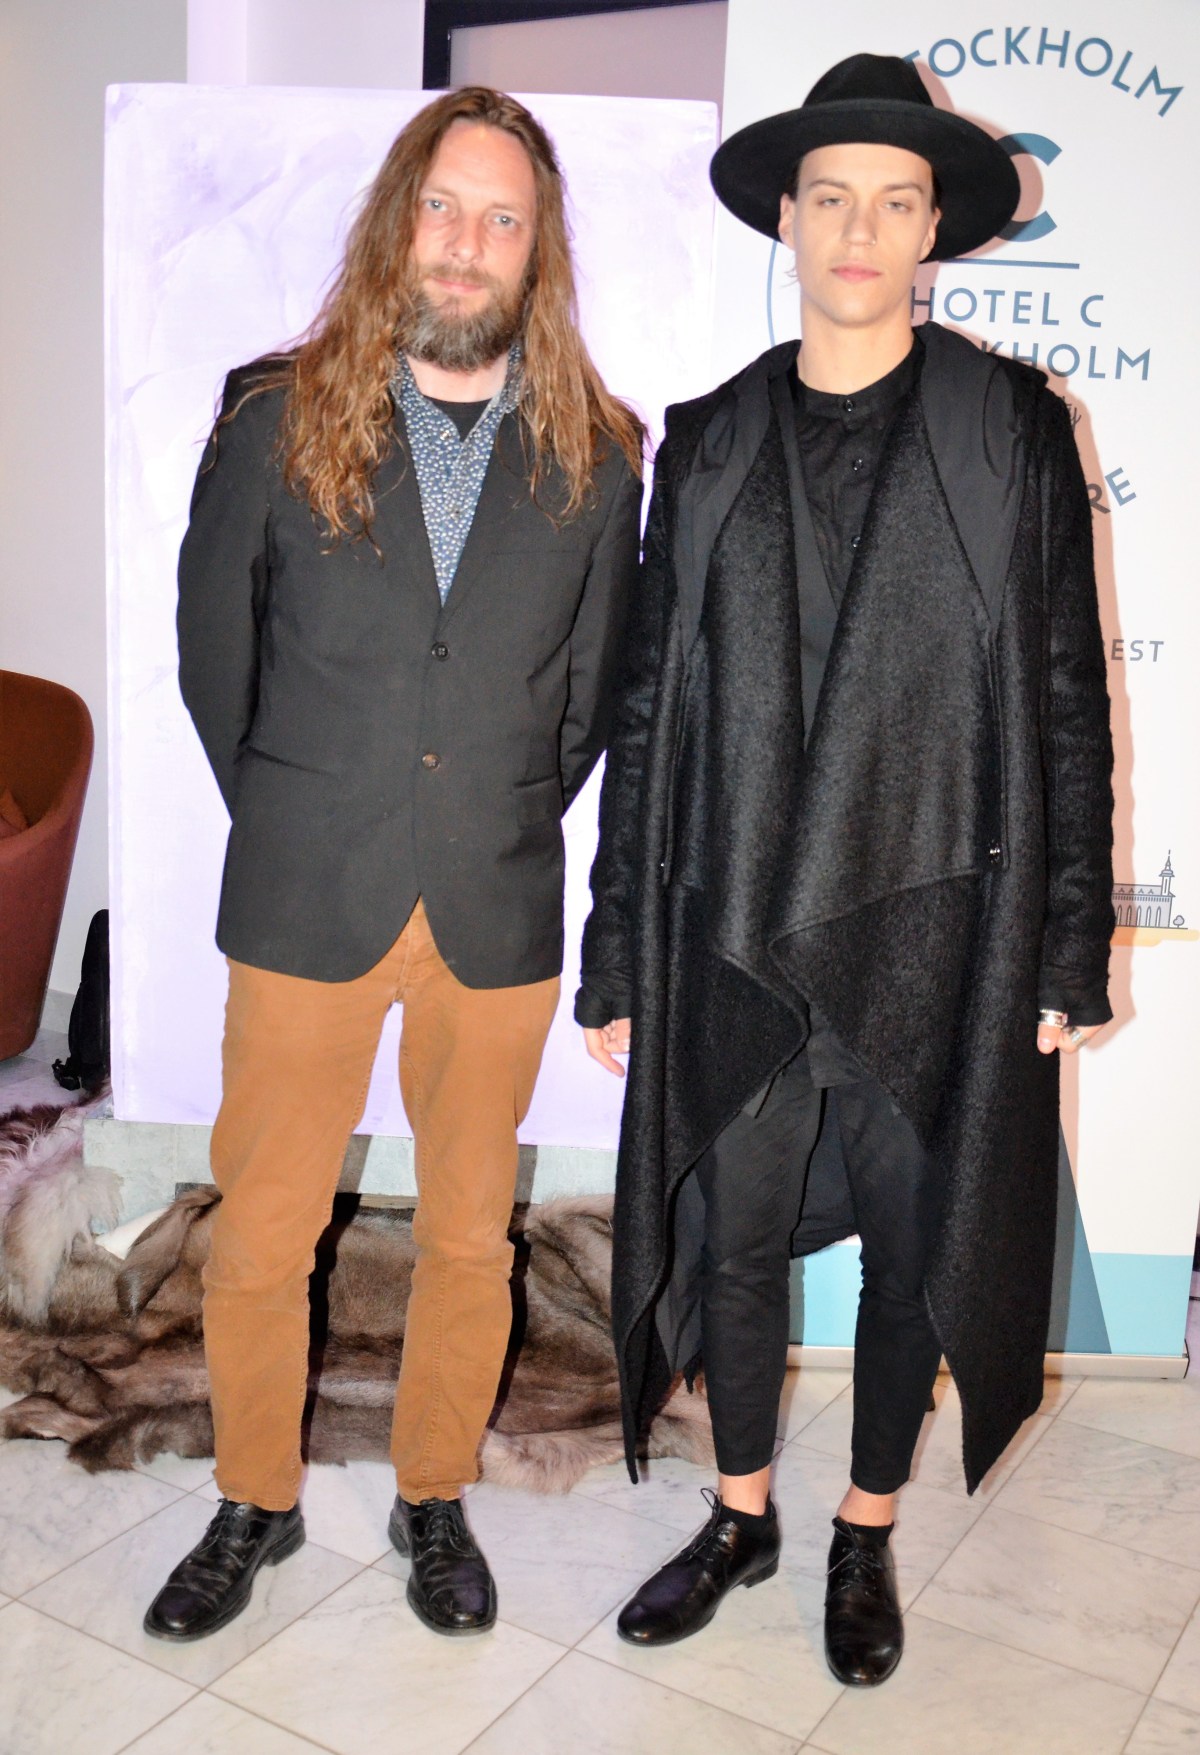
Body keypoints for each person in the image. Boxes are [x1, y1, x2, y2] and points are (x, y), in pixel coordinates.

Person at [578, 53, 1113, 1686]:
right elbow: (648, 706)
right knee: (734, 1242)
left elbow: (1066, 698)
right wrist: (615, 951)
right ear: (790, 222)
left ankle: (864, 1528)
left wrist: (1067, 950)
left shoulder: (1011, 432)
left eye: (894, 201)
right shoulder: (710, 439)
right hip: (737, 916)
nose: (861, 231)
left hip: (934, 920)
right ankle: (742, 1514)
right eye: (832, 199)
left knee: (906, 1250)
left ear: (933, 227)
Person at [146, 86, 642, 1643]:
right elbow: (214, 664)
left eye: (503, 218)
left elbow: (590, 699)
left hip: (492, 901)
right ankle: (256, 1499)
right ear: (395, 219)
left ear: (537, 251)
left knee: (469, 1234)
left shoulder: (600, 455)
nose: (468, 243)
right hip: (306, 886)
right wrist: (305, 807)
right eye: (445, 206)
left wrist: (488, 809)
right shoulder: (271, 418)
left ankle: (434, 1495)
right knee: (263, 1226)